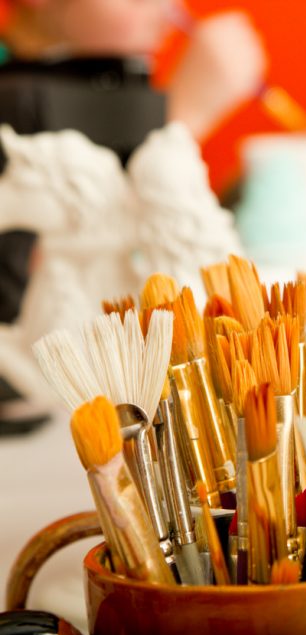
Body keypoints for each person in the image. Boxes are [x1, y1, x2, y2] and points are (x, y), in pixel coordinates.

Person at [0, 0, 266, 430]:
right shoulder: (23, 97)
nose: (168, 6)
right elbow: (91, 226)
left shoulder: (106, 79)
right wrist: (185, 116)